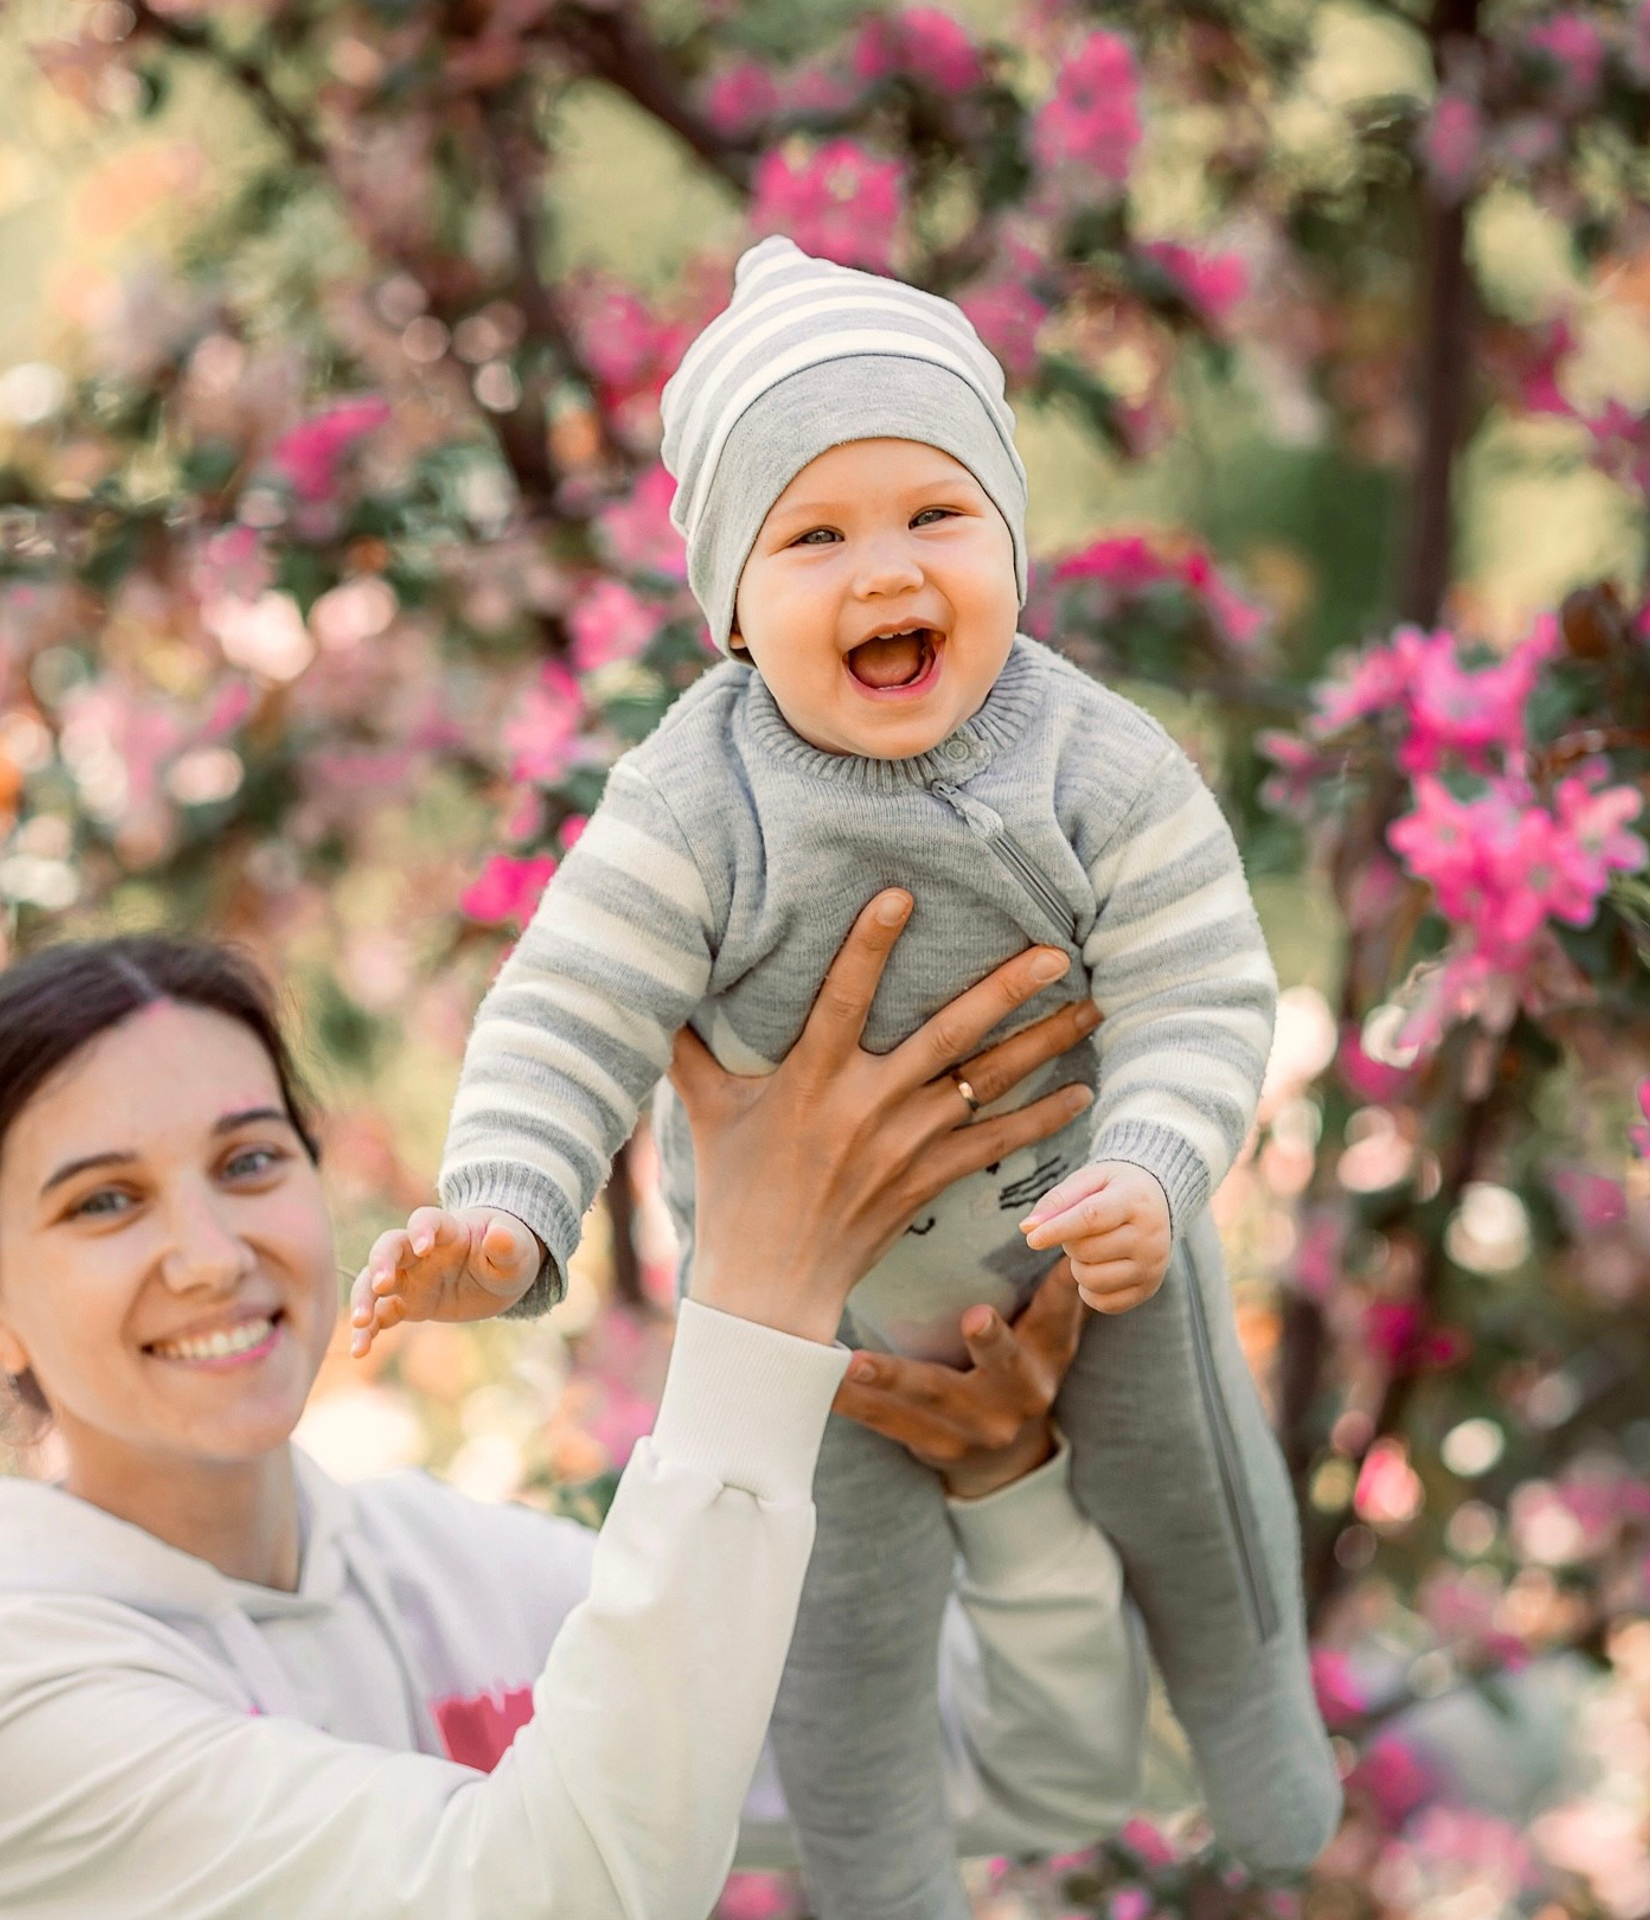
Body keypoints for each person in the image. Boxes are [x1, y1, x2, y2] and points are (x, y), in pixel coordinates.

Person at [350, 235, 1340, 1912]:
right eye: (814, 535)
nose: (886, 570)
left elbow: (1200, 977)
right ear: (732, 604)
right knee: (833, 1630)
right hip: (814, 1317)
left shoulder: (1090, 753)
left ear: (1012, 545)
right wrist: (507, 1220)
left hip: (1090, 1239)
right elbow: (566, 1010)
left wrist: (1159, 1167)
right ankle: (885, 1885)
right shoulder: (696, 801)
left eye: (936, 516)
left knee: (1199, 1492)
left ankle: (1253, 1705)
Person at [0, 924, 1150, 1920]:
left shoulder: (454, 1576)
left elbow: (1035, 1769)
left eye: (249, 1161)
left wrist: (1008, 1484)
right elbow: (562, 1891)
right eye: (104, 1201)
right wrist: (763, 1287)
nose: (208, 1254)